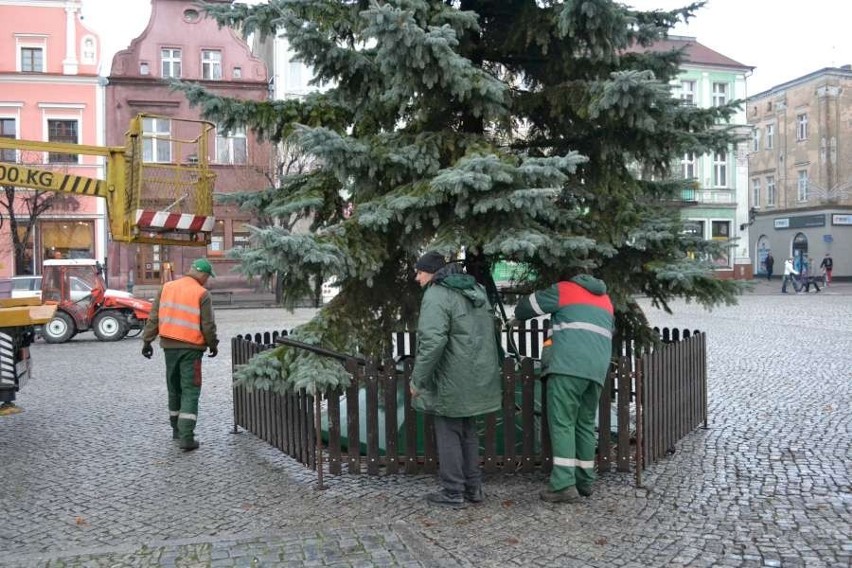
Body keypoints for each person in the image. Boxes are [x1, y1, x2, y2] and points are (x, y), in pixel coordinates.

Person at [409, 251, 502, 506]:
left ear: (432, 272)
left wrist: (417, 381)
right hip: (476, 375)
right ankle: (474, 488)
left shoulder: (437, 294)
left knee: (448, 432)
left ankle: (453, 492)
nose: (417, 277)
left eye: (420, 272)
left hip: (451, 377)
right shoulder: (477, 290)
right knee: (468, 432)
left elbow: (432, 341)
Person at [513, 273, 614, 503]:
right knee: (585, 424)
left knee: (562, 423)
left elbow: (527, 306)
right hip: (597, 370)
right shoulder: (605, 299)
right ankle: (585, 480)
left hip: (567, 366)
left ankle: (563, 485)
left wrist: (518, 316)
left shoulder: (565, 289)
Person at [141, 258, 219, 451]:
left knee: (174, 388)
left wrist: (147, 341)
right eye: (208, 277)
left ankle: (176, 430)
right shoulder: (202, 293)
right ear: (202, 274)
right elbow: (207, 325)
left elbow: (154, 317)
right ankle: (186, 437)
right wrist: (213, 344)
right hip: (191, 349)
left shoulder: (166, 287)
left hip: (169, 347)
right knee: (190, 390)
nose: (207, 280)